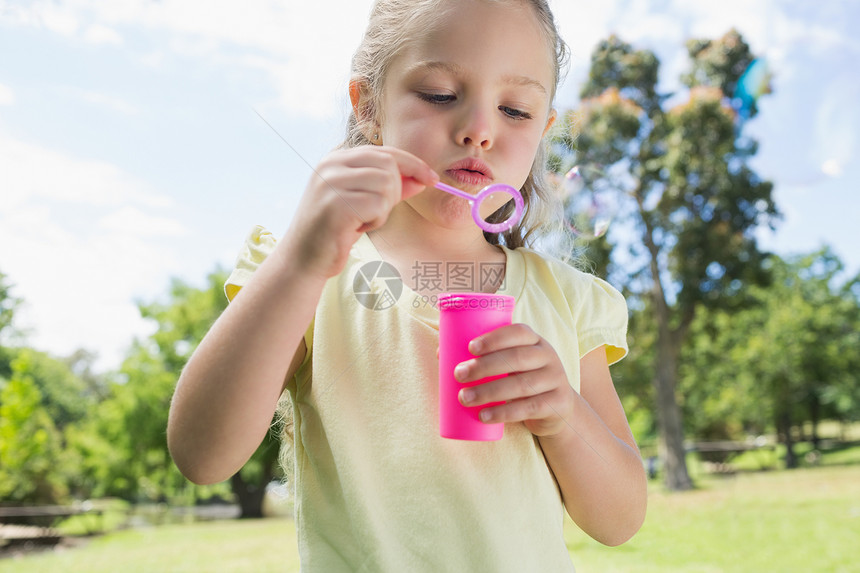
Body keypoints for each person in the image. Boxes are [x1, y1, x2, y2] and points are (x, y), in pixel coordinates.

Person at [167, 0, 647, 570]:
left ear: (543, 130)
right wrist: (299, 261)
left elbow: (619, 521)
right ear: (369, 105)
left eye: (515, 110)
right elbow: (201, 455)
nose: (478, 129)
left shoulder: (566, 301)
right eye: (441, 94)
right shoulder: (312, 274)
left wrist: (564, 413)